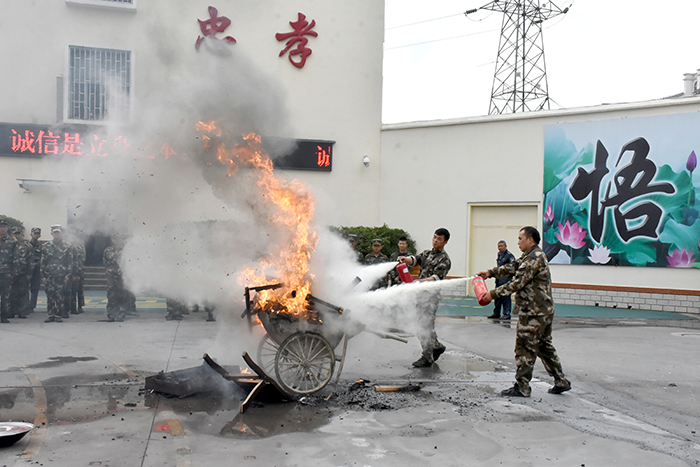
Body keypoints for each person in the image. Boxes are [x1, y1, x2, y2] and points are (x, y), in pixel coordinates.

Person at [478, 226, 571, 397]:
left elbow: (517, 282)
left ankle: (522, 387)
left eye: (520, 238)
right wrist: (491, 273)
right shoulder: (530, 256)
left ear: (530, 239)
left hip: (533, 311)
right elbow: (513, 267)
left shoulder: (534, 258)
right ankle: (561, 381)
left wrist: (492, 294)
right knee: (544, 346)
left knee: (524, 347)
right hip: (542, 310)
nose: (518, 242)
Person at [398, 228, 451, 368]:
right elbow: (415, 260)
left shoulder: (445, 259)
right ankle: (436, 346)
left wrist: (419, 282)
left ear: (445, 242)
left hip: (431, 297)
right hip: (420, 294)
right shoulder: (427, 253)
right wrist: (405, 259)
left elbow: (436, 278)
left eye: (439, 239)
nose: (435, 240)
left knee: (424, 326)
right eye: (434, 237)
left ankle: (427, 357)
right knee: (423, 324)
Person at [41, 225, 73, 323]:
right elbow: (43, 261)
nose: (57, 234)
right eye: (55, 232)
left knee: (60, 295)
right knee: (50, 295)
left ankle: (58, 315)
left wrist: (68, 274)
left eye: (58, 232)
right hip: (49, 274)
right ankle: (51, 315)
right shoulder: (46, 246)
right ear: (51, 234)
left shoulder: (67, 246)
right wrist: (42, 275)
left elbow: (70, 261)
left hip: (61, 275)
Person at [487, 240, 516, 320]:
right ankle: (496, 313)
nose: (500, 248)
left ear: (505, 246)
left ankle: (506, 313)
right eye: (499, 246)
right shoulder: (499, 255)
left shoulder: (509, 256)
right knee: (497, 297)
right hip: (499, 280)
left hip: (506, 281)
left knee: (505, 297)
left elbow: (513, 268)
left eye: (501, 246)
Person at [9, 227, 32, 319]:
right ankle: (11, 311)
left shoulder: (27, 247)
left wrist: (29, 273)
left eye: (18, 234)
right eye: (15, 234)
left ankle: (22, 312)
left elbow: (30, 261)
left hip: (23, 273)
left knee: (23, 293)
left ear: (22, 235)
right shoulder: (9, 246)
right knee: (11, 293)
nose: (17, 236)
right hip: (11, 274)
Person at [0, 219, 20, 324]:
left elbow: (16, 258)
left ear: (7, 228)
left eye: (4, 227)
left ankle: (4, 316)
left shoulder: (12, 241)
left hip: (6, 272)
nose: (2, 229)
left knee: (5, 295)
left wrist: (13, 272)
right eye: (0, 227)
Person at [103, 236, 128, 322]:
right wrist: (110, 271)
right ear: (112, 240)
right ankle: (111, 314)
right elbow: (105, 262)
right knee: (111, 294)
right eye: (115, 239)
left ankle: (121, 313)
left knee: (122, 294)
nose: (117, 240)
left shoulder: (125, 250)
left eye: (118, 239)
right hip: (111, 275)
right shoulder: (107, 250)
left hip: (122, 275)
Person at [28, 228, 43, 312]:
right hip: (27, 270)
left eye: (38, 234)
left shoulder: (41, 246)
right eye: (35, 233)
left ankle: (31, 306)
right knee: (24, 289)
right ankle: (24, 306)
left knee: (35, 289)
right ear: (31, 234)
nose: (36, 235)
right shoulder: (26, 245)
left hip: (37, 270)